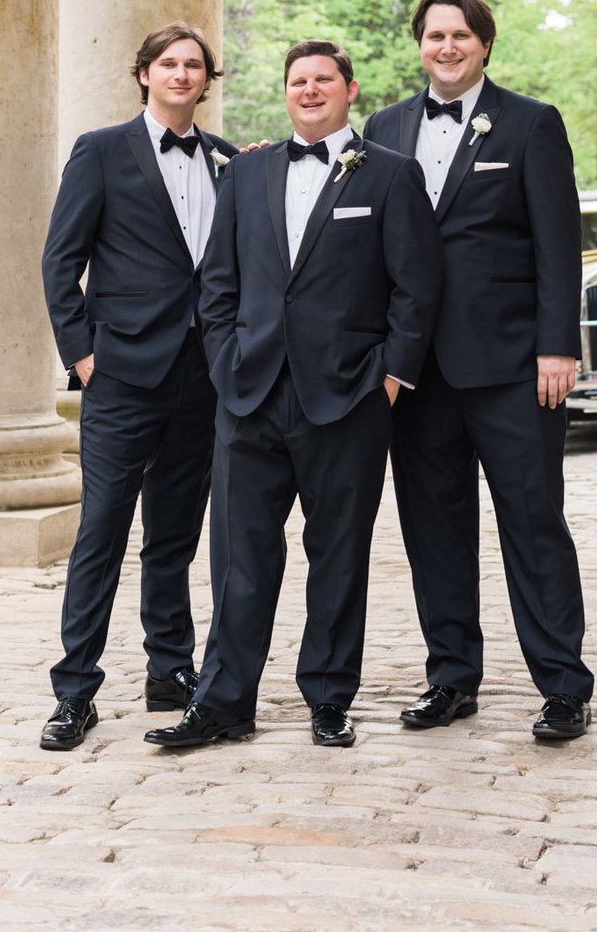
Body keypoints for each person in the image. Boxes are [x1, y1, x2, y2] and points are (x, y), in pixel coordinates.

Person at [145, 39, 443, 752]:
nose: (309, 91)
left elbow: (416, 287)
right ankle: (223, 703)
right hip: (247, 396)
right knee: (239, 558)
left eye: (323, 80)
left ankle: (330, 698)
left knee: (338, 554)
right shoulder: (247, 174)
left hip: (348, 400)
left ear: (350, 89)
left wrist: (392, 378)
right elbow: (218, 283)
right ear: (286, 93)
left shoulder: (392, 177)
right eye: (297, 81)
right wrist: (223, 363)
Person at [363, 0, 594, 742]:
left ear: (484, 45)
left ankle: (563, 687)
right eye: (435, 35)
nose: (448, 47)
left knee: (533, 526)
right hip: (414, 374)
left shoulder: (531, 124)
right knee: (434, 532)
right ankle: (451, 678)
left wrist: (558, 345)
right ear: (419, 45)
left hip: (511, 369)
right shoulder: (383, 126)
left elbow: (560, 244)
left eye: (461, 35)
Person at [38, 22, 238, 751]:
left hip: (202, 377)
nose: (182, 74)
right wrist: (84, 357)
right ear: (145, 75)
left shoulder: (225, 160)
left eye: (194, 65)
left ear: (206, 80)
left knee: (175, 536)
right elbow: (60, 263)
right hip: (121, 374)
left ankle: (170, 671)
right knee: (102, 532)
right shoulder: (99, 151)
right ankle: (74, 690)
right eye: (168, 64)